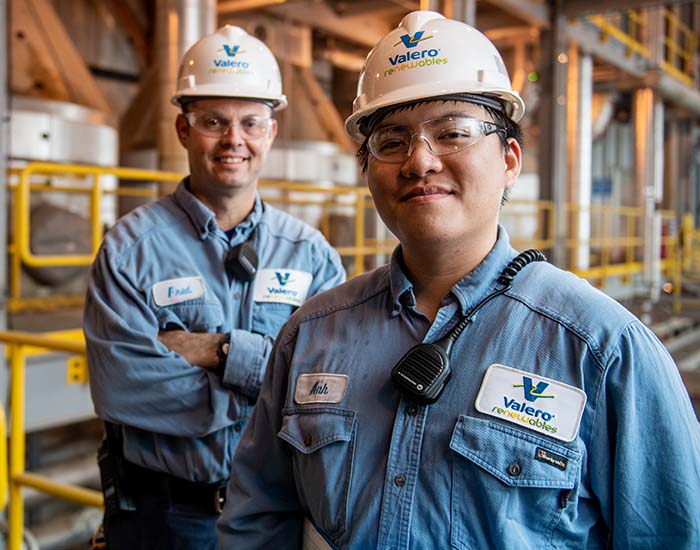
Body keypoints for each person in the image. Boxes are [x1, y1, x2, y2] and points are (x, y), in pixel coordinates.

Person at [217, 10, 700, 549]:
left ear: (510, 159)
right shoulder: (312, 334)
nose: (419, 161)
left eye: (453, 133)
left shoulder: (603, 350)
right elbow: (257, 519)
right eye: (391, 141)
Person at [84, 25, 345, 550]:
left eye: (251, 122)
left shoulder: (310, 254)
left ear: (271, 132)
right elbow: (122, 387)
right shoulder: (130, 250)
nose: (234, 140)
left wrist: (221, 352)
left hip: (276, 516)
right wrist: (267, 392)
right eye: (213, 122)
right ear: (183, 129)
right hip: (163, 519)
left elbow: (335, 387)